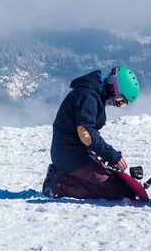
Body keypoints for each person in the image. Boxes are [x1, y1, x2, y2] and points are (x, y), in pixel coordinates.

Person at [42, 66, 140, 200]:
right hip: (69, 157)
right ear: (113, 88)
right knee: (116, 192)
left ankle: (68, 178)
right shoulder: (87, 96)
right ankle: (57, 183)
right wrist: (112, 156)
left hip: (78, 154)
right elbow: (86, 133)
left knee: (119, 187)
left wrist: (105, 156)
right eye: (120, 101)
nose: (117, 105)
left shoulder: (95, 96)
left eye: (122, 104)